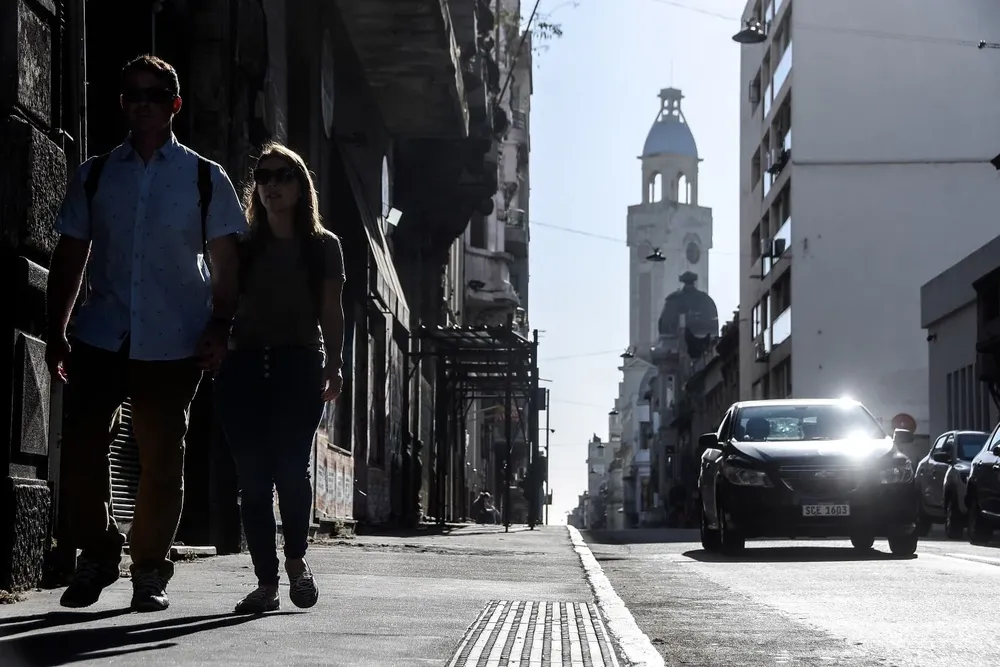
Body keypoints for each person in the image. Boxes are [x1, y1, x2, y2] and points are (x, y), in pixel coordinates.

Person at [45, 55, 247, 611]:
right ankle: (98, 555)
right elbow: (70, 256)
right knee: (82, 448)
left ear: (174, 104)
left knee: (161, 457)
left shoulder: (205, 178)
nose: (143, 103)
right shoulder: (96, 173)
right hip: (101, 334)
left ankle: (149, 571)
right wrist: (57, 329)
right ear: (121, 103)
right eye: (133, 94)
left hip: (175, 339)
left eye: (155, 94)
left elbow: (227, 263)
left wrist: (220, 326)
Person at [214, 142, 345, 614]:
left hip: (298, 365)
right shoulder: (242, 244)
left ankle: (296, 563)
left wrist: (335, 365)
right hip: (243, 365)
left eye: (283, 175)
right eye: (264, 176)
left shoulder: (323, 247)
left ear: (301, 185)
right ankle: (266, 583)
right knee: (252, 479)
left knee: (290, 469)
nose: (272, 184)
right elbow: (222, 298)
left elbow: (332, 309)